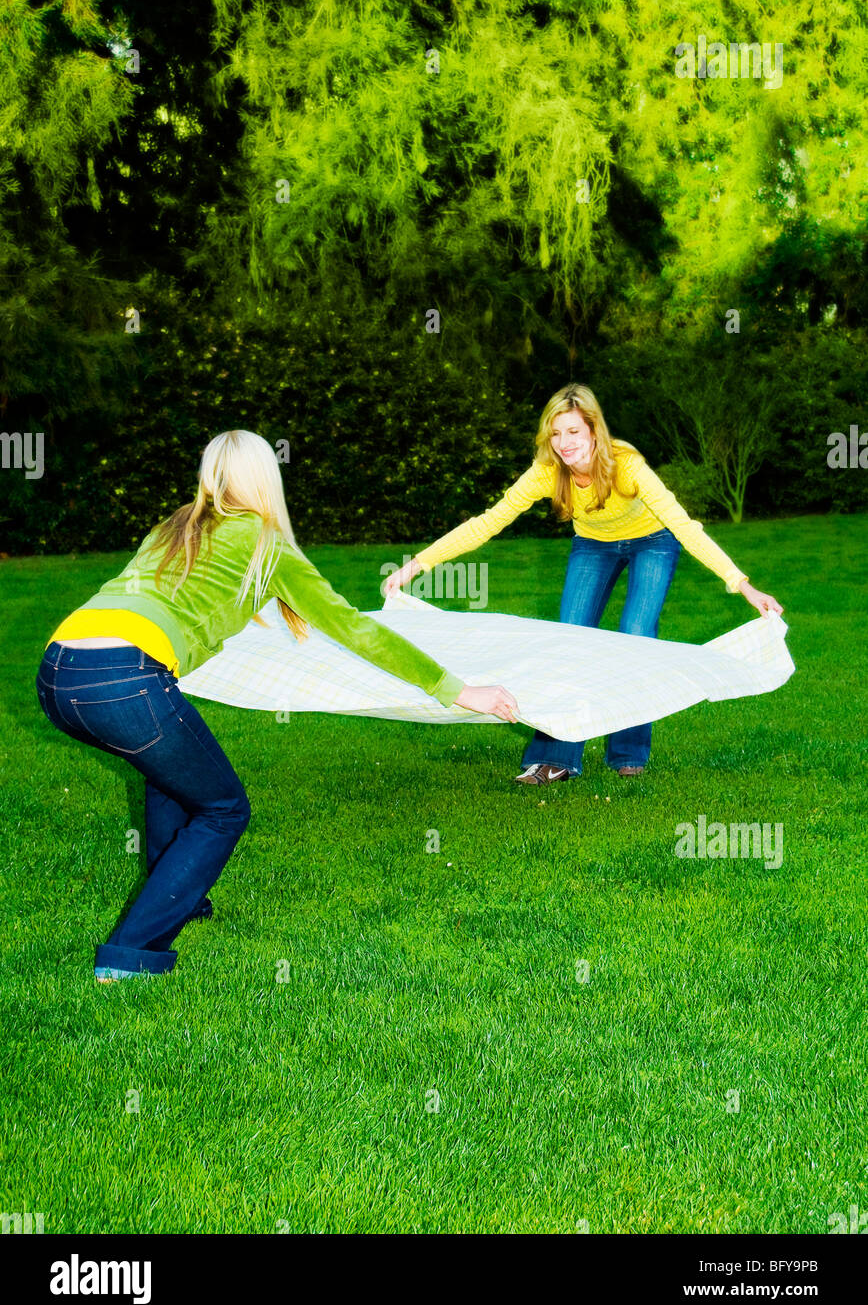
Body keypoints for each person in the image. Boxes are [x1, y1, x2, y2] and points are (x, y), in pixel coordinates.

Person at [36, 431, 519, 982]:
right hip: (123, 680)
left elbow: (175, 603)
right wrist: (456, 689)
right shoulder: (267, 542)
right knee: (224, 809)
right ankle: (130, 955)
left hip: (58, 670)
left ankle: (179, 895)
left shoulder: (176, 526)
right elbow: (356, 629)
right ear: (267, 478)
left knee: (167, 772)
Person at [383, 383, 783, 785]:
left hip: (654, 542)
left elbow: (683, 525)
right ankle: (555, 758)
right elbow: (488, 522)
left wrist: (742, 584)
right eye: (555, 433)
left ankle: (628, 751)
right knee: (570, 639)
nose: (563, 443)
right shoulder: (547, 472)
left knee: (636, 636)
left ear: (594, 429)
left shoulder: (626, 465)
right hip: (593, 545)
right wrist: (415, 566)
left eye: (573, 431)